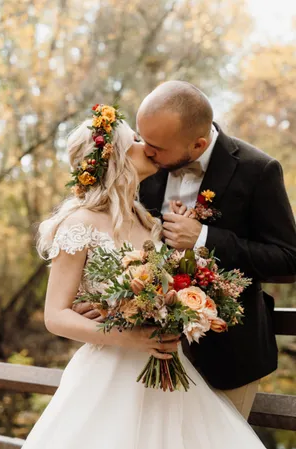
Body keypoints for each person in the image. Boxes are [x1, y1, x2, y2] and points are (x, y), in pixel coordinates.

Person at [21, 104, 267, 449]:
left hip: (170, 370)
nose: (147, 145)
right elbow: (55, 316)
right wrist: (129, 336)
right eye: (136, 140)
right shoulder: (79, 223)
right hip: (111, 374)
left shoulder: (150, 223)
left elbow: (165, 290)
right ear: (117, 157)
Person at [136, 80, 296, 418]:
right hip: (148, 351)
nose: (144, 151)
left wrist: (204, 238)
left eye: (156, 146)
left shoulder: (258, 170)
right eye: (142, 139)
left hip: (229, 356)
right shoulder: (144, 162)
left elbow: (288, 258)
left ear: (199, 144)